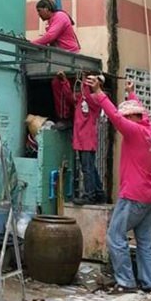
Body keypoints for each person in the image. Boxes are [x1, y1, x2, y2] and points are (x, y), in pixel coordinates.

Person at [87, 76, 151, 294]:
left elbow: (116, 117)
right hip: (149, 196)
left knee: (115, 236)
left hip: (133, 195)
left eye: (129, 117)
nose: (126, 122)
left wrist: (99, 94)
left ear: (133, 117)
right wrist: (131, 93)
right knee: (145, 241)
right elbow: (137, 113)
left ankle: (126, 282)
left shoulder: (135, 132)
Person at [53, 71, 106, 204]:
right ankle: (99, 193)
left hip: (87, 140)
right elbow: (70, 98)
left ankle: (89, 195)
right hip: (81, 139)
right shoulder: (82, 98)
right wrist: (65, 81)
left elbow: (87, 96)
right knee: (90, 168)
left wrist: (85, 82)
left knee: (87, 169)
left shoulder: (96, 99)